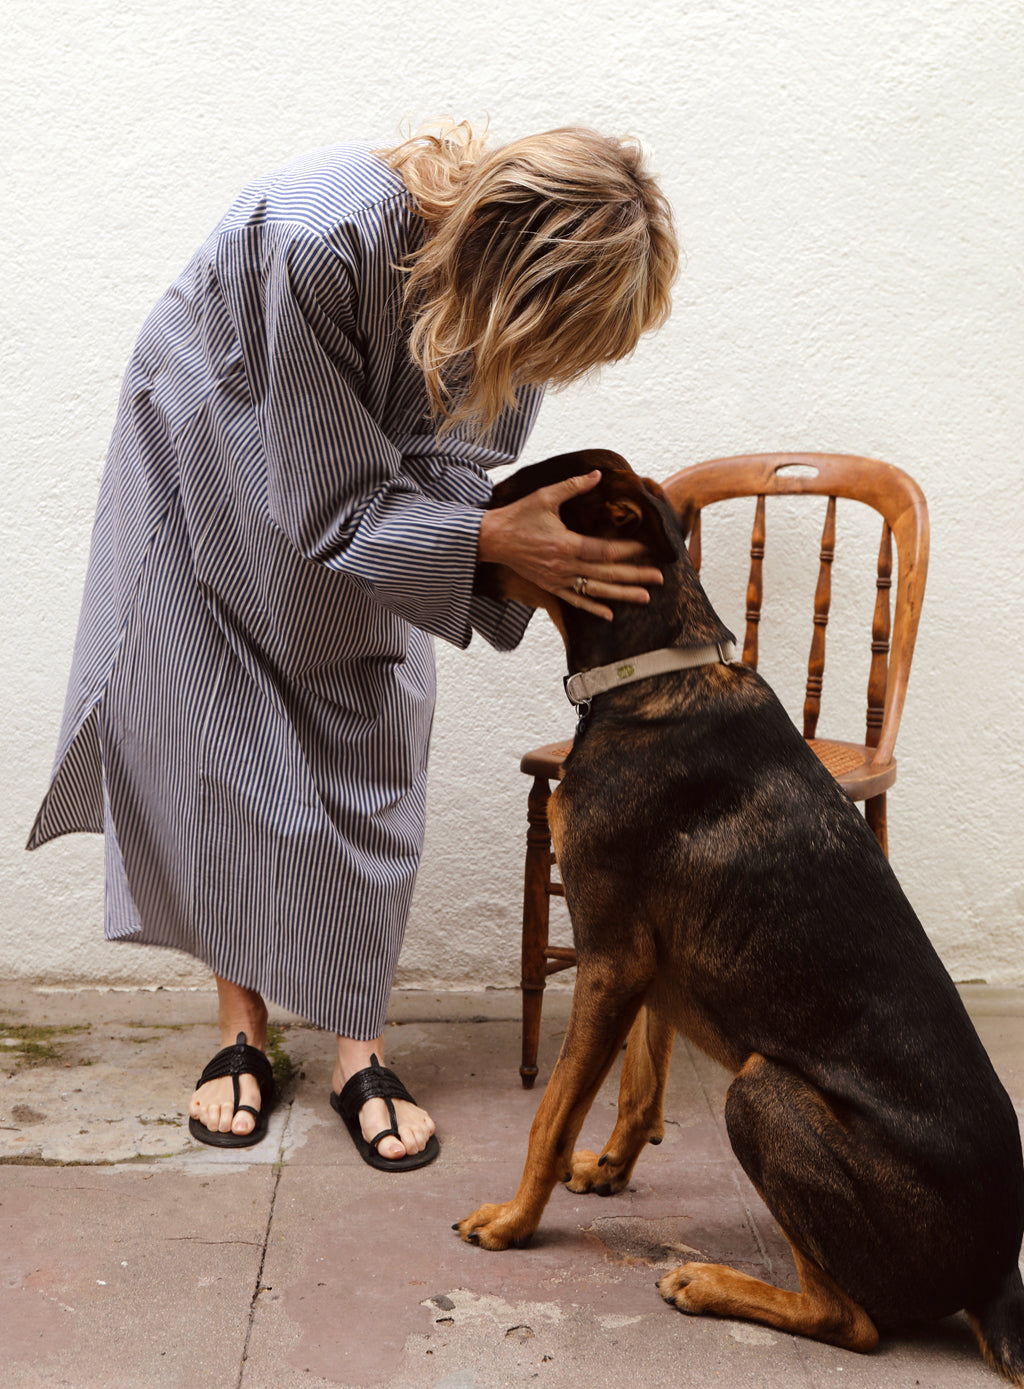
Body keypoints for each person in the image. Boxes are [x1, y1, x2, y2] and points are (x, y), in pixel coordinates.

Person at [27, 120, 678, 1167]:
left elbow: (461, 464)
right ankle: (240, 1036)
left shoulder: (512, 297)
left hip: (343, 481)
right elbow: (328, 497)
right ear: (510, 263)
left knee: (375, 724)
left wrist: (504, 538)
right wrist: (482, 540)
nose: (540, 364)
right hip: (205, 452)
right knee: (214, 738)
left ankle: (356, 1050)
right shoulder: (318, 240)